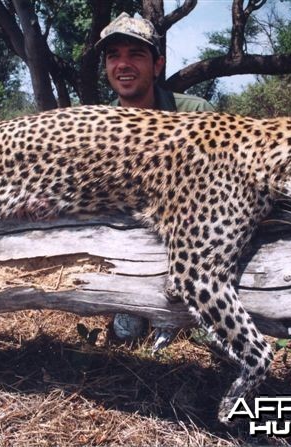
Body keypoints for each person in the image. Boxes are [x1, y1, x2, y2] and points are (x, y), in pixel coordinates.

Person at [95, 12, 214, 343]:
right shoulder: (96, 127)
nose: (123, 64)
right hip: (128, 246)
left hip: (190, 245)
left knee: (210, 341)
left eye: (136, 54)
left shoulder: (197, 114)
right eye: (113, 56)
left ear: (157, 65)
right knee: (124, 338)